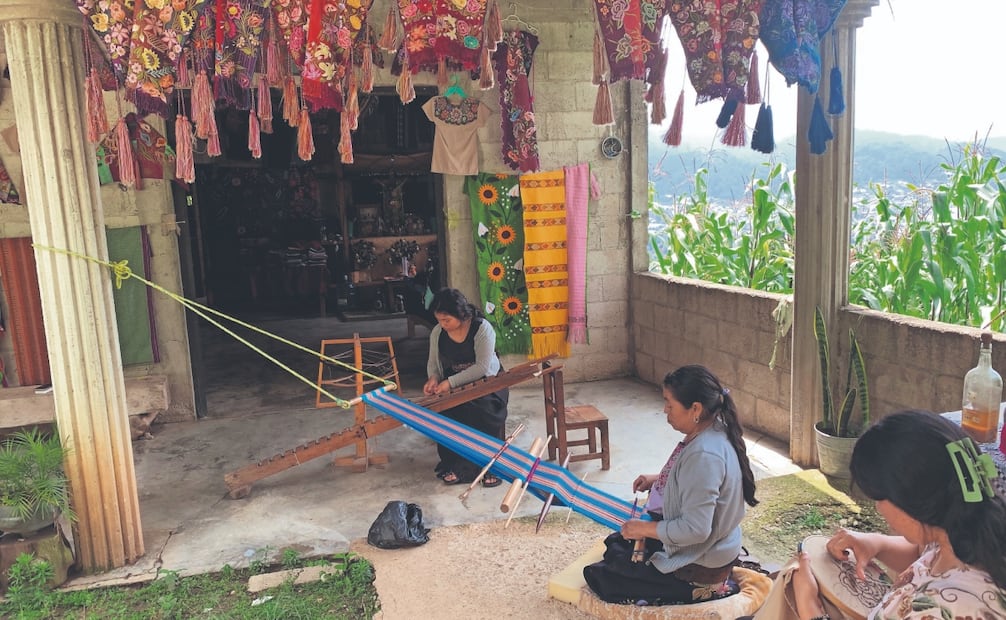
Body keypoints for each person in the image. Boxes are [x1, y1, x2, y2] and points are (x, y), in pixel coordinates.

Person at [788, 410, 1006, 620]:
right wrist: (878, 543)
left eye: (878, 499)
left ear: (912, 503)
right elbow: (925, 554)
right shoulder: (968, 523)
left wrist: (810, 608)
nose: (879, 509)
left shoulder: (936, 608)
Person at [582, 365, 759, 605]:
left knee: (602, 576)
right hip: (713, 545)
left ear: (695, 409)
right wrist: (659, 479)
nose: (665, 410)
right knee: (617, 543)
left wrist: (644, 529)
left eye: (669, 403)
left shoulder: (704, 455)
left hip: (701, 562)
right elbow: (700, 483)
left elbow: (696, 530)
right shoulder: (716, 429)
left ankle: (708, 590)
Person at [424, 288, 507, 487]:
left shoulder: (481, 328)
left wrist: (449, 383)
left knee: (483, 410)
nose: (443, 325)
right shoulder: (438, 332)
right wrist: (433, 379)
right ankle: (457, 466)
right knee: (446, 411)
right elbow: (434, 363)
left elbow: (482, 367)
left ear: (461, 315)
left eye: (447, 320)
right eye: (440, 320)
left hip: (488, 383)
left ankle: (490, 466)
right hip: (454, 381)